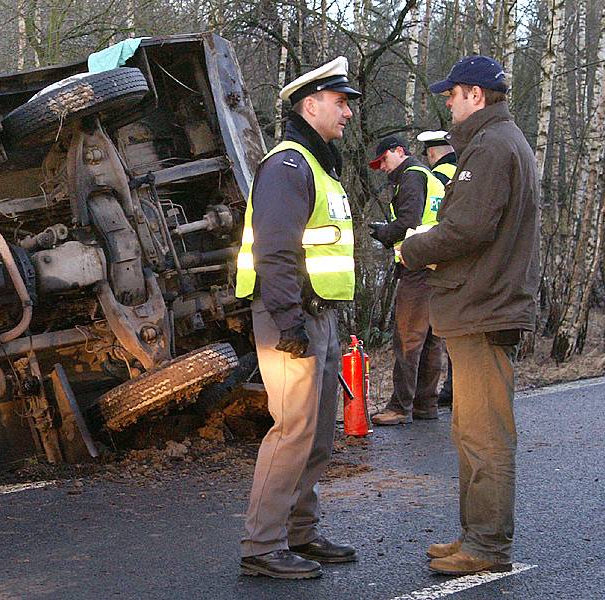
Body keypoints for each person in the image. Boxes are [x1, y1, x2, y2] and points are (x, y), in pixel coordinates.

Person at [400, 55, 540, 575]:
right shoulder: (498, 143)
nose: (448, 103)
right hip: (482, 303)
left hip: (484, 306)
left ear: (476, 97)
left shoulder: (491, 146)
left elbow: (466, 229)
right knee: (471, 431)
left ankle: (486, 546)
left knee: (483, 435)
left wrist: (412, 248)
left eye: (453, 95)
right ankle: (475, 537)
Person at [234, 56, 360, 580]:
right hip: (292, 318)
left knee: (317, 435)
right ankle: (262, 547)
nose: (348, 112)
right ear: (311, 105)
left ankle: (300, 534)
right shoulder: (289, 166)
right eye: (341, 102)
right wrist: (288, 323)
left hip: (319, 315)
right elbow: (276, 252)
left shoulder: (316, 164)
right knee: (292, 430)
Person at [367, 136, 445, 425]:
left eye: (384, 160)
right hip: (437, 266)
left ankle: (400, 408)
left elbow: (409, 222)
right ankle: (426, 405)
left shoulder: (410, 177)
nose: (382, 168)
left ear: (399, 152)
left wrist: (383, 233)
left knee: (408, 340)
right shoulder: (427, 176)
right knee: (430, 341)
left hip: (418, 266)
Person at [416, 130, 458, 407]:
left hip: (435, 265)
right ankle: (456, 388)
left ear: (431, 153)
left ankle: (440, 393)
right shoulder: (467, 171)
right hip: (463, 264)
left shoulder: (436, 179)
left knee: (435, 334)